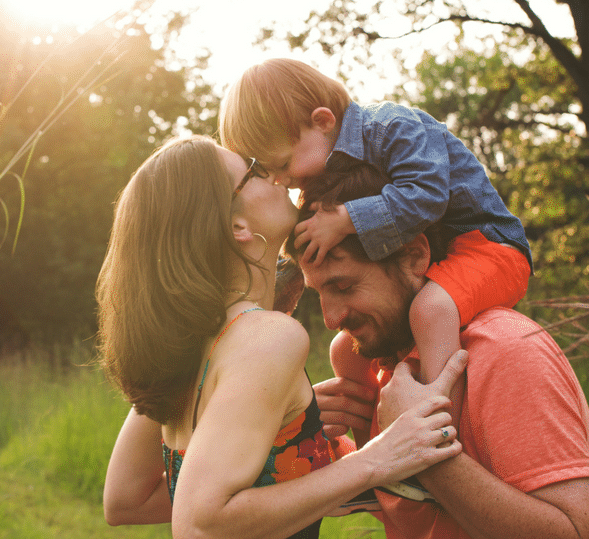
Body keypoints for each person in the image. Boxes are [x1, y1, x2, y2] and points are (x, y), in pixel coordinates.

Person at [97, 135, 466, 539]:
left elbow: (127, 498)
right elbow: (200, 523)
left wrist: (291, 435)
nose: (274, 175)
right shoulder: (267, 337)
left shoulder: (197, 340)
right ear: (237, 226)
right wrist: (378, 459)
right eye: (253, 172)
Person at [292, 160, 589, 539]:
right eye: (318, 291)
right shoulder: (375, 363)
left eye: (344, 287)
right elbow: (421, 511)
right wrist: (309, 436)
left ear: (414, 256)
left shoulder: (505, 351)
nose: (329, 318)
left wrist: (421, 448)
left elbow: (580, 533)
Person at [219, 57, 533, 431]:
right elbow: (308, 256)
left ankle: (441, 431)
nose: (282, 182)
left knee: (431, 309)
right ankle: (378, 459)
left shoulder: (391, 127)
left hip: (488, 244)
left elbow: (428, 194)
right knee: (343, 351)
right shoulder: (326, 170)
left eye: (283, 165)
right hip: (436, 257)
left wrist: (345, 218)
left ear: (322, 121)